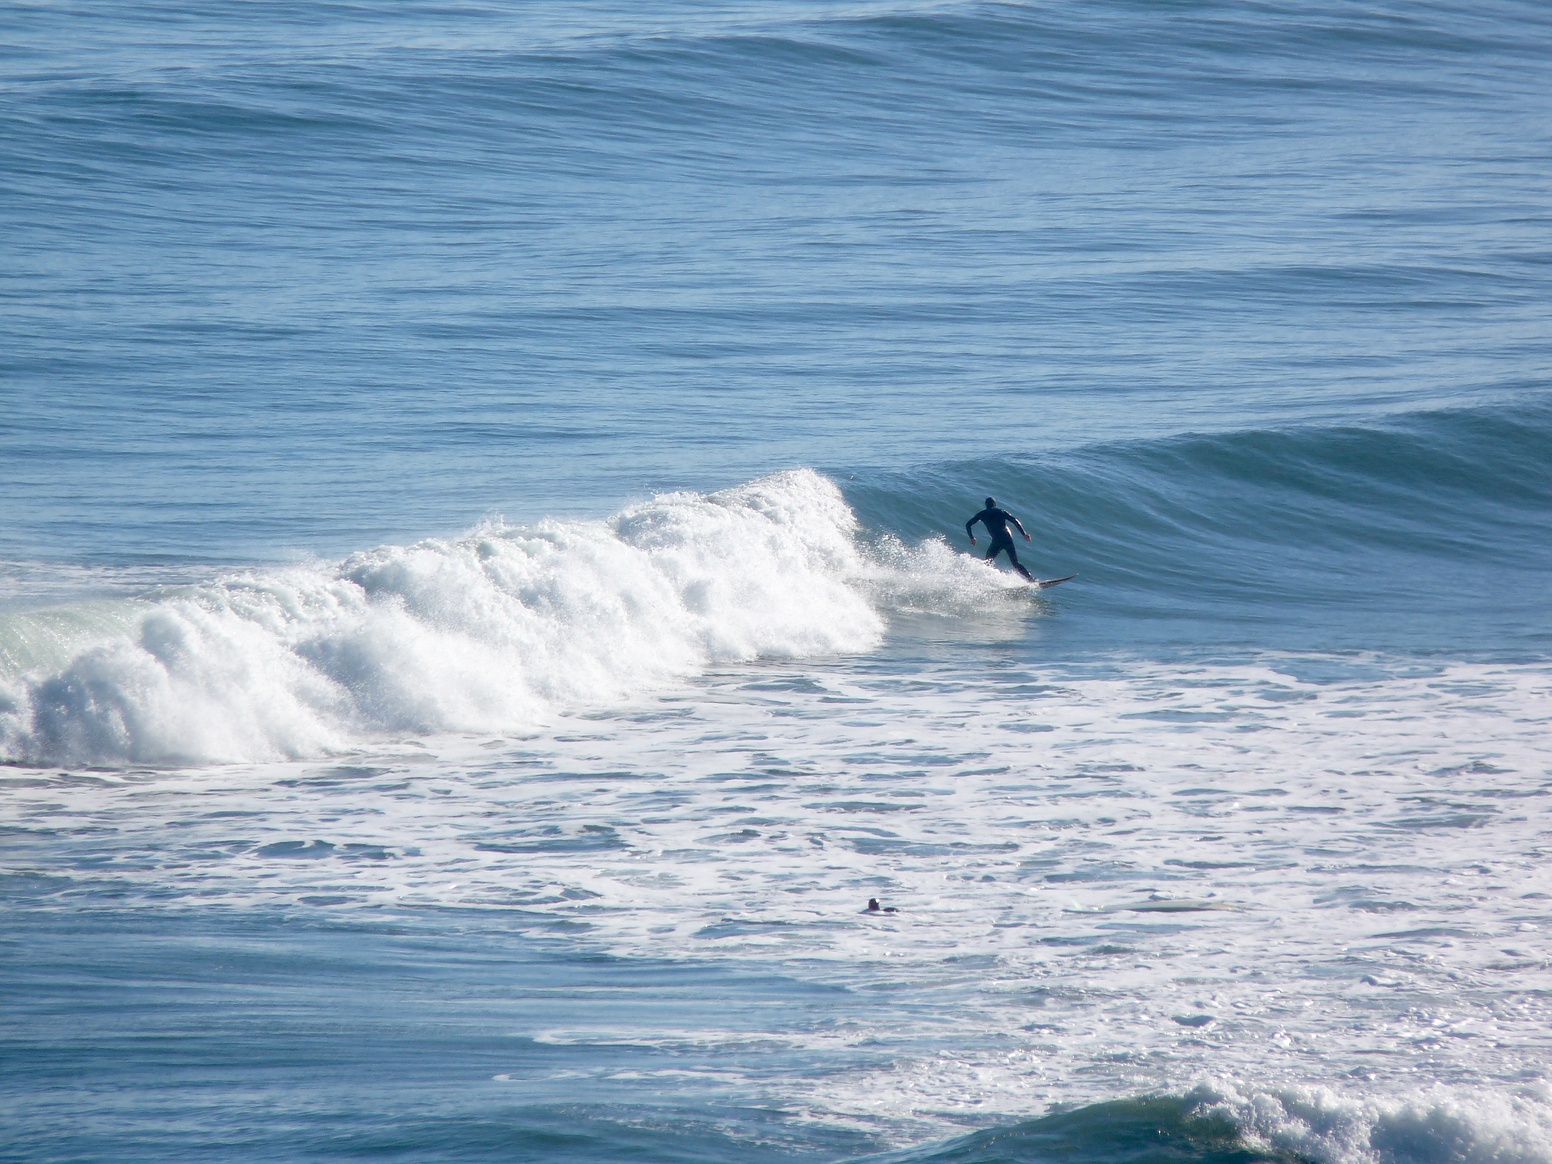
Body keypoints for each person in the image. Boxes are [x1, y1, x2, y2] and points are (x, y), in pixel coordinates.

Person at [966, 496, 1033, 581]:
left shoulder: (982, 514)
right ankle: (1031, 579)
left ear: (986, 505)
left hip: (997, 541)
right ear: (994, 504)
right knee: (1015, 563)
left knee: (987, 563)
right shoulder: (1001, 511)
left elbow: (968, 524)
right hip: (1007, 539)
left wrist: (972, 537)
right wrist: (1024, 534)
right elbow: (1015, 521)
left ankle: (985, 582)